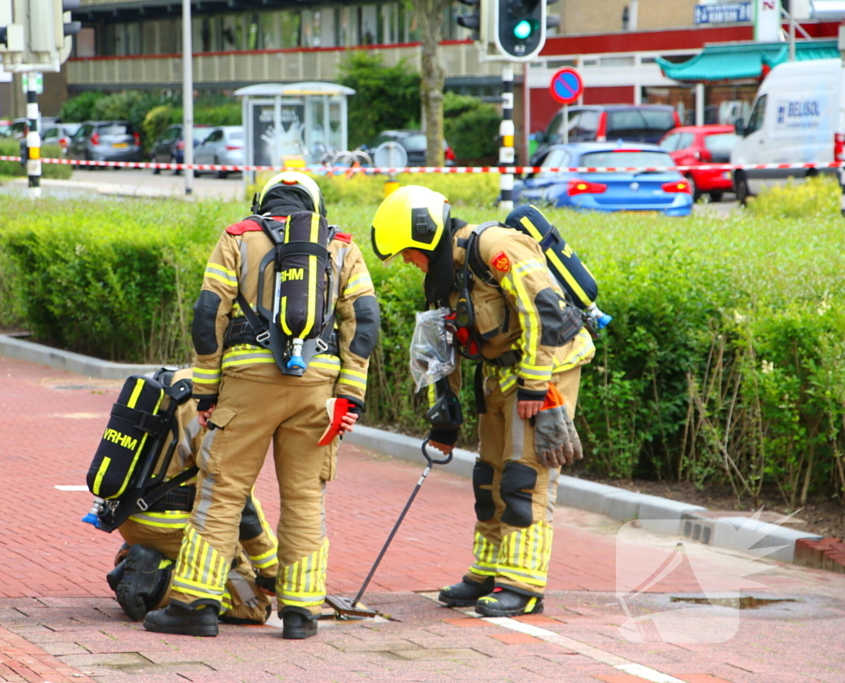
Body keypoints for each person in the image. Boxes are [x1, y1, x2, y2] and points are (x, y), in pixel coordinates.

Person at [145, 171, 380, 639]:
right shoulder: (341, 246)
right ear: (316, 208)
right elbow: (365, 321)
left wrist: (207, 392)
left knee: (223, 491)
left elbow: (208, 315)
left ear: (263, 202)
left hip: (248, 383)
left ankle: (194, 604)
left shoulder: (238, 236)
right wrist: (349, 395)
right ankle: (300, 613)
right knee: (305, 498)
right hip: (318, 383)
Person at [369, 186, 594, 618]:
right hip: (499, 375)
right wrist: (444, 421)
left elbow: (541, 311)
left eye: (407, 253)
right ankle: (488, 571)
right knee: (488, 475)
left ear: (424, 235)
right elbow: (445, 350)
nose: (406, 263)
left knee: (525, 475)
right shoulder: (443, 279)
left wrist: (534, 385)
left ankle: (522, 584)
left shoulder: (495, 248)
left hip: (545, 368)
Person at [106, 370, 278, 626]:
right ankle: (157, 583)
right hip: (173, 526)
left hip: (130, 516)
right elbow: (240, 505)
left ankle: (139, 556)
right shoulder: (220, 405)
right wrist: (270, 571)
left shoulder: (174, 381)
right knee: (252, 606)